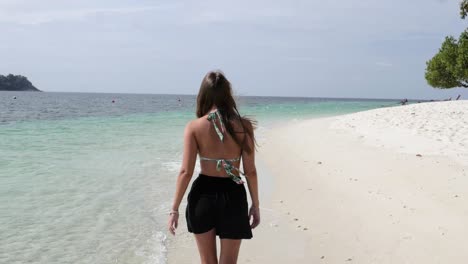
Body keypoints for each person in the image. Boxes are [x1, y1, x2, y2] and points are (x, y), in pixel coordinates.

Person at [168, 70, 260, 264]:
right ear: (228, 94)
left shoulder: (194, 127)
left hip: (203, 196)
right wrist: (256, 205)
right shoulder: (244, 127)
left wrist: (174, 209)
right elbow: (250, 171)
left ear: (203, 95)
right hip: (234, 194)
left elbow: (186, 172)